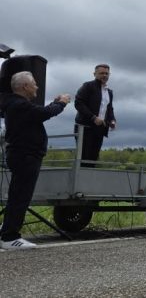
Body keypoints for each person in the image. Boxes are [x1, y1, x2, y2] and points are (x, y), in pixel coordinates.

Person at [0, 71, 70, 249]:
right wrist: (61, 103)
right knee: (20, 196)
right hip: (26, 156)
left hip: (22, 155)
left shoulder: (16, 104)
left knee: (17, 195)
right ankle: (9, 237)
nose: (37, 86)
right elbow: (45, 113)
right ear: (25, 86)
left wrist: (55, 103)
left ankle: (7, 230)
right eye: (34, 83)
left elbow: (40, 112)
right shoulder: (20, 105)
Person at [74, 64, 116, 164]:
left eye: (106, 73)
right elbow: (78, 103)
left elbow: (109, 108)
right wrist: (93, 118)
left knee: (93, 160)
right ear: (95, 74)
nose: (104, 75)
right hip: (85, 128)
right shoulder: (88, 86)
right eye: (101, 73)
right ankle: (80, 179)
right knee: (84, 159)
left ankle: (88, 179)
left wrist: (112, 120)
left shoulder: (109, 92)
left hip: (99, 129)